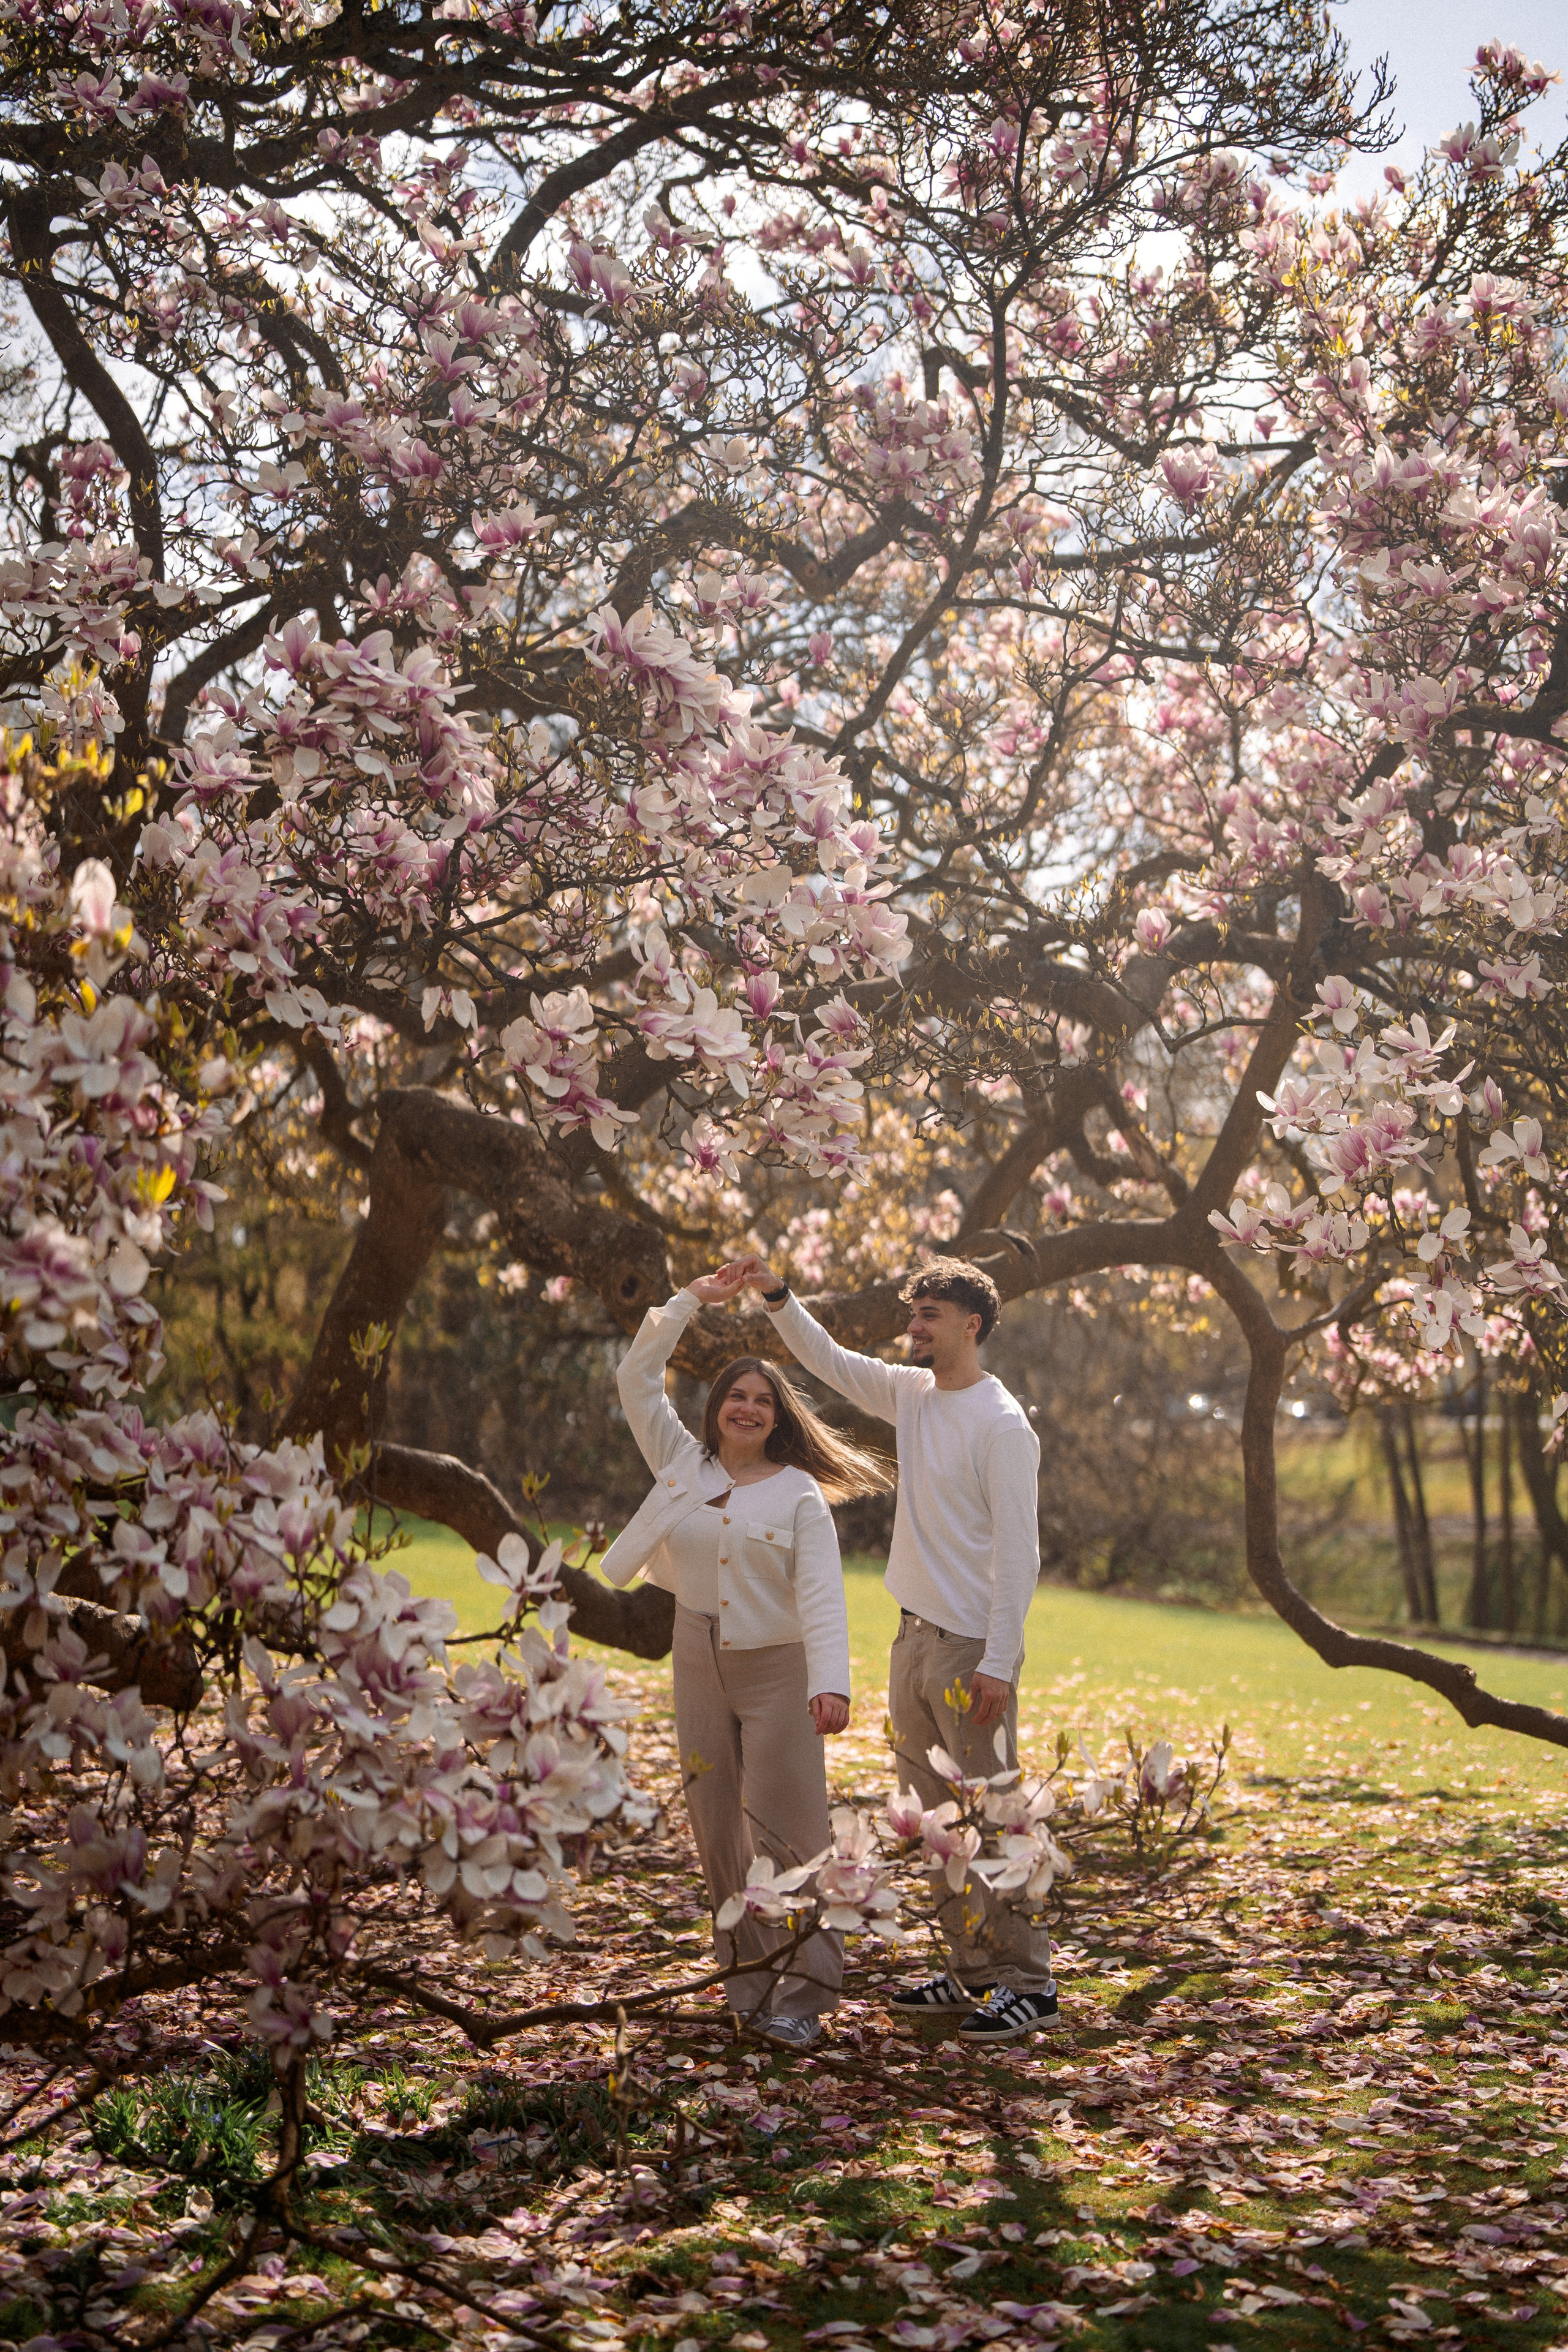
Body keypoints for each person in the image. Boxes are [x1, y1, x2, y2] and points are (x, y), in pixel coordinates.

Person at [731, 1252, 1057, 2046]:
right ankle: (972, 1969)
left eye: (929, 1316)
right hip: (912, 1640)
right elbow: (829, 1361)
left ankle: (1027, 1982)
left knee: (990, 1815)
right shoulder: (914, 1394)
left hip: (969, 1649)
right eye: (913, 1315)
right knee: (936, 1822)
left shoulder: (1002, 1424)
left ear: (970, 1325)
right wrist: (777, 1297)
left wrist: (999, 1663)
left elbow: (1020, 1554)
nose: (913, 1328)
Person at [600, 1263, 892, 2049]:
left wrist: (831, 1684)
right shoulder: (680, 1462)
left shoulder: (797, 1492)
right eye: (737, 1395)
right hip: (693, 1654)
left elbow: (824, 1594)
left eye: (764, 1400)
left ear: (777, 1417)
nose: (748, 1407)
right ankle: (746, 1988)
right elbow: (636, 1376)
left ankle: (805, 1996)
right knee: (716, 1829)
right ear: (717, 1407)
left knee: (789, 1833)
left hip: (780, 1668)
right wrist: (690, 1302)